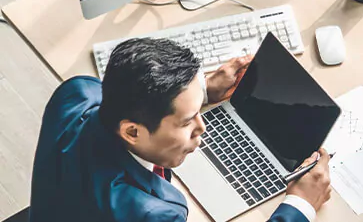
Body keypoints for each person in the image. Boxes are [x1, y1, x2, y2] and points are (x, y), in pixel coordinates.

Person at [30, 38, 332, 222]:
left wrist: (201, 91)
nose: (202, 126)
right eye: (188, 121)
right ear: (132, 132)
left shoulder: (77, 92)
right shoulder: (150, 214)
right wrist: (300, 205)